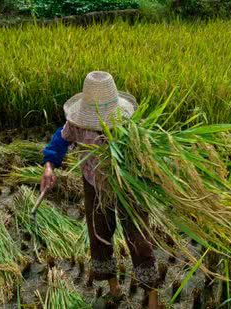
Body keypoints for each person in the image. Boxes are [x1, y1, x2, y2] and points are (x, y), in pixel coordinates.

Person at [40, 71, 160, 308]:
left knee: (139, 238)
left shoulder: (128, 124)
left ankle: (152, 298)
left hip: (128, 186)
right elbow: (59, 142)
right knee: (99, 234)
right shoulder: (76, 125)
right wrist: (48, 167)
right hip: (94, 184)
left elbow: (147, 154)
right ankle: (114, 289)